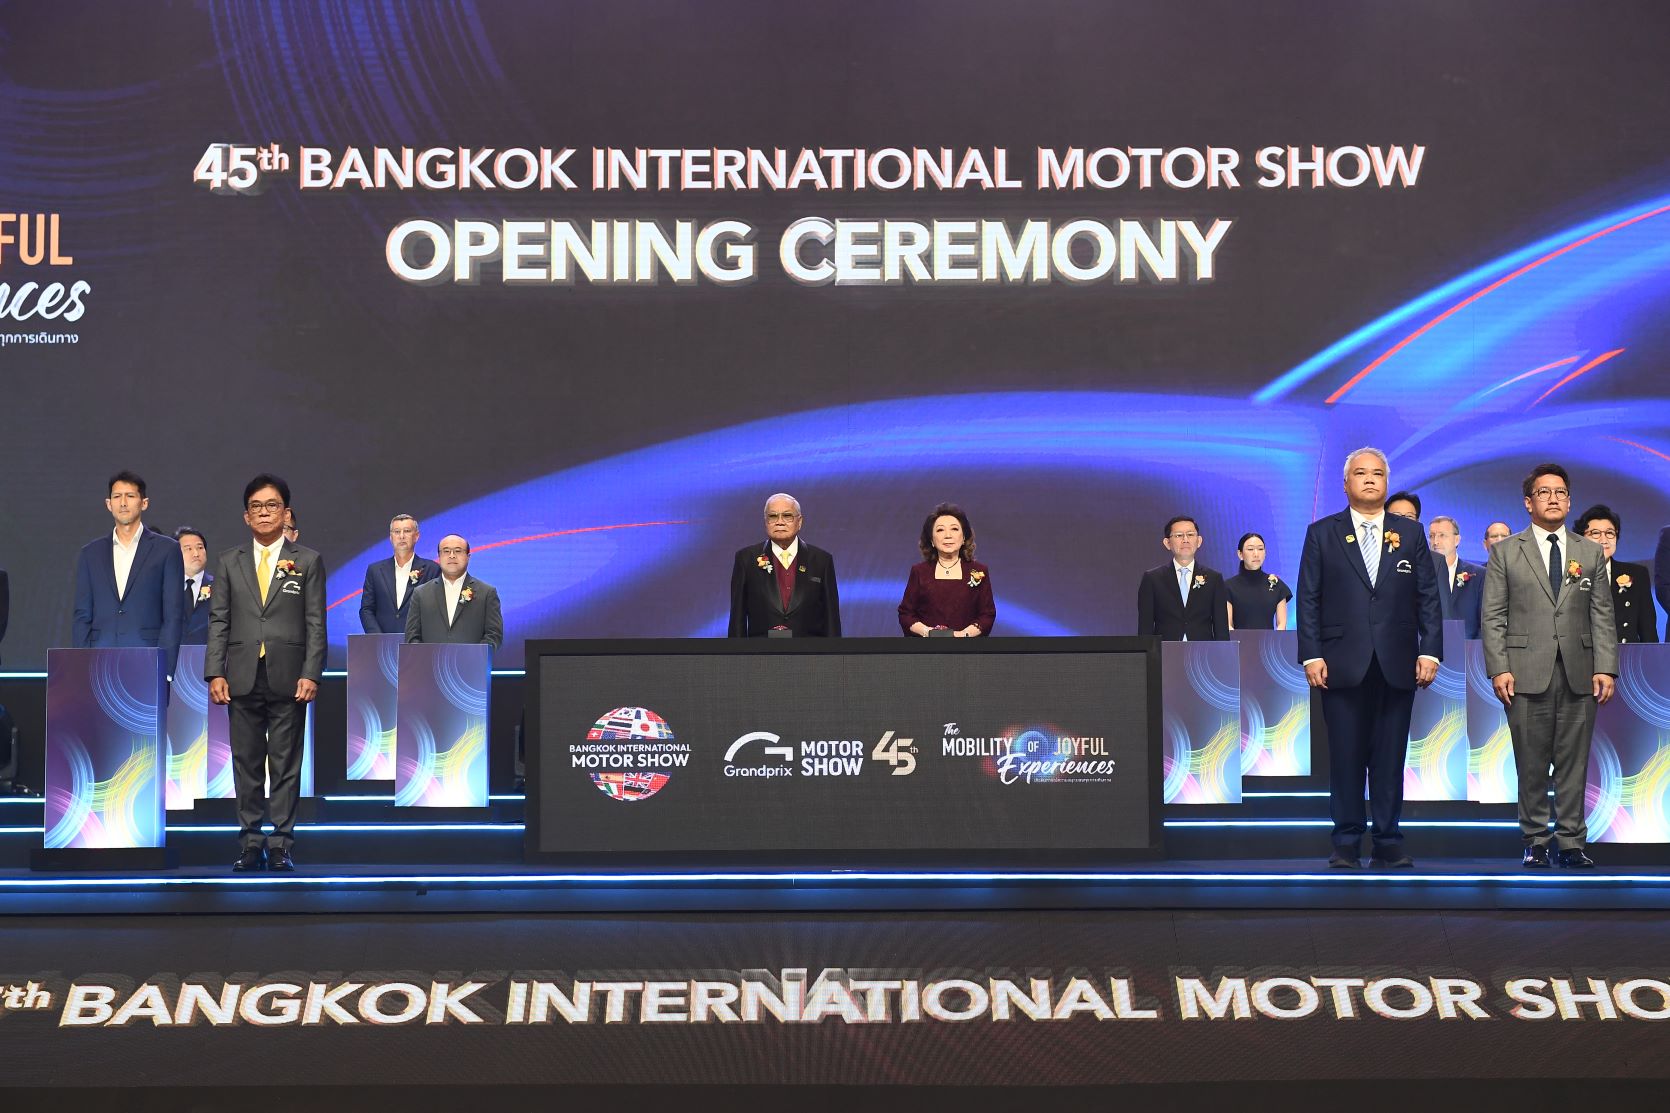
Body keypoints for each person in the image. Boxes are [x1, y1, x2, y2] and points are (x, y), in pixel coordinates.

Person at [1297, 448, 1442, 869]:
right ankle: (1345, 841)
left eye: (1377, 473)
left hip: (1398, 661)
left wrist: (1430, 650)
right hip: (1340, 662)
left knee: (1390, 758)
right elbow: (1308, 598)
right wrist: (1311, 655)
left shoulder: (1410, 533)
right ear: (1346, 484)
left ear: (1386, 482)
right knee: (1345, 757)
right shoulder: (1322, 533)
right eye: (1360, 473)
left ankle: (1388, 840)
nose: (1370, 479)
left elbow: (1428, 597)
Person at [1482, 465, 1617, 868]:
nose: (1553, 498)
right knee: (1531, 763)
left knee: (1575, 762)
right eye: (1544, 492)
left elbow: (1602, 614)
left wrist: (1606, 667)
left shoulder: (1589, 552)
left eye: (1560, 492)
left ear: (1569, 501)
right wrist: (1499, 668)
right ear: (1529, 502)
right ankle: (1536, 841)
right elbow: (1493, 615)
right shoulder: (1507, 551)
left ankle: (1572, 842)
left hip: (1579, 670)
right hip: (1523, 672)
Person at [205, 475, 326, 873]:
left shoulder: (307, 560)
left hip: (290, 675)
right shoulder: (229, 560)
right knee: (246, 763)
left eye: (272, 505)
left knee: (286, 764)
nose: (263, 512)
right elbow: (219, 620)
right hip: (241, 675)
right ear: (246, 516)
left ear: (285, 513)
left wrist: (312, 672)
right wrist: (214, 672)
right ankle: (250, 842)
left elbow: (315, 622)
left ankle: (281, 844)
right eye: (256, 506)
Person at [71, 470, 184, 679]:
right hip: (99, 663)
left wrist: (165, 669)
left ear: (144, 503)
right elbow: (82, 615)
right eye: (117, 496)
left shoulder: (167, 550)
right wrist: (80, 664)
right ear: (108, 504)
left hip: (148, 661)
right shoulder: (90, 553)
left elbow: (173, 614)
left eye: (130, 496)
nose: (123, 503)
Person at [728, 493, 841, 637]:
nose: (779, 522)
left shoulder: (821, 560)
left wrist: (834, 651)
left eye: (787, 516)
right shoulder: (746, 559)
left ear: (799, 522)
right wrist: (736, 651)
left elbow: (832, 620)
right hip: (761, 650)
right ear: (765, 522)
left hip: (809, 650)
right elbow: (737, 620)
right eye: (773, 516)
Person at [898, 503, 996, 637]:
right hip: (927, 647)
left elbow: (987, 615)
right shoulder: (919, 572)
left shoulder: (979, 571)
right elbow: (906, 614)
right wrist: (929, 633)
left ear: (964, 537)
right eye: (940, 530)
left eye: (954, 529)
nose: (948, 535)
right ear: (932, 540)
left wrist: (962, 635)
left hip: (967, 647)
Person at [1136, 516, 1229, 641]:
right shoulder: (1152, 579)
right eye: (1179, 535)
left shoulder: (1214, 579)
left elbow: (1221, 628)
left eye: (1190, 535)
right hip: (1165, 649)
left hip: (1202, 650)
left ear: (1199, 541)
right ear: (1167, 543)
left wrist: (1222, 652)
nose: (1185, 540)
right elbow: (1145, 628)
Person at [405, 535, 504, 650]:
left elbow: (493, 635)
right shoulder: (421, 593)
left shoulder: (487, 593)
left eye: (458, 551)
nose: (452, 556)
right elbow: (412, 636)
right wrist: (425, 657)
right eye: (446, 551)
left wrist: (476, 655)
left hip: (471, 661)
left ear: (468, 557)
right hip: (429, 661)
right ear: (439, 556)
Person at [1574, 505, 1656, 644]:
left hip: (1625, 655)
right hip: (1582, 655)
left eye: (1610, 533)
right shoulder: (1570, 575)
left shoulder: (1637, 575)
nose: (1604, 540)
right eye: (1595, 533)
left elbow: (1648, 632)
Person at [360, 514, 442, 634]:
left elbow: (436, 611)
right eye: (397, 532)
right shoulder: (375, 570)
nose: (401, 536)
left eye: (407, 531)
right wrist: (378, 639)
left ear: (416, 536)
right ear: (391, 537)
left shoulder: (432, 569)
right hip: (382, 642)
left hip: (418, 642)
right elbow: (366, 610)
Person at [1428, 515, 1484, 638]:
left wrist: (1474, 648)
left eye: (1442, 535)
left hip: (1467, 646)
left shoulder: (1479, 575)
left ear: (1457, 540)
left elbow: (1485, 621)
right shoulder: (1420, 572)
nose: (1435, 542)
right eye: (1431, 536)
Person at [1224, 532, 1291, 630]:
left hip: (1269, 640)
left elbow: (1282, 624)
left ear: (1265, 553)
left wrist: (1274, 640)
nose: (1256, 554)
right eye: (1250, 549)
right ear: (1240, 554)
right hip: (1238, 639)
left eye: (1260, 549)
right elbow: (1228, 625)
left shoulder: (1276, 585)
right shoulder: (1228, 587)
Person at [175, 526, 214, 646]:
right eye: (188, 549)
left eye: (200, 548)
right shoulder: (164, 589)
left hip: (209, 654)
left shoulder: (220, 587)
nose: (196, 554)